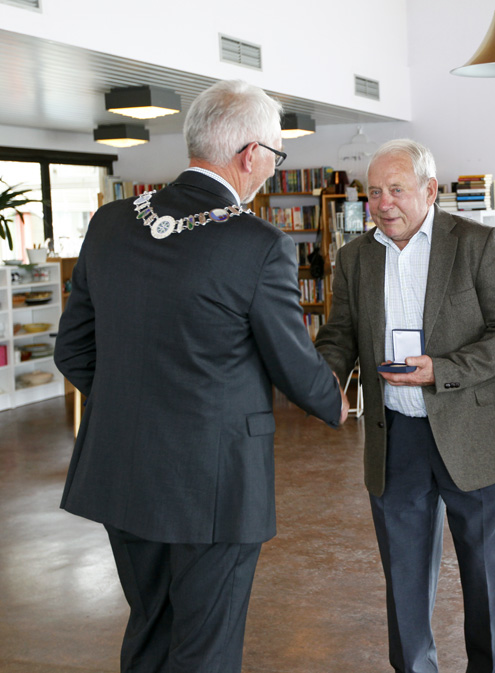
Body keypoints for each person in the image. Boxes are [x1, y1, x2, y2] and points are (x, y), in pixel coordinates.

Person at [54, 79, 349, 673]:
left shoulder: (111, 223)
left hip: (121, 470)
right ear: (250, 156)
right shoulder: (258, 243)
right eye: (274, 156)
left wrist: (132, 404)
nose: (271, 169)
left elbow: (73, 351)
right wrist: (335, 403)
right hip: (213, 483)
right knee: (206, 646)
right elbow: (291, 360)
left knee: (149, 630)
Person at [313, 139, 495, 673]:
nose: (383, 202)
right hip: (398, 439)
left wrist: (444, 369)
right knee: (404, 575)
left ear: (430, 191)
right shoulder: (354, 257)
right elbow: (339, 336)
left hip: (472, 433)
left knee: (483, 571)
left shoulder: (475, 243)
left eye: (397, 189)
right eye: (374, 192)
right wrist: (325, 379)